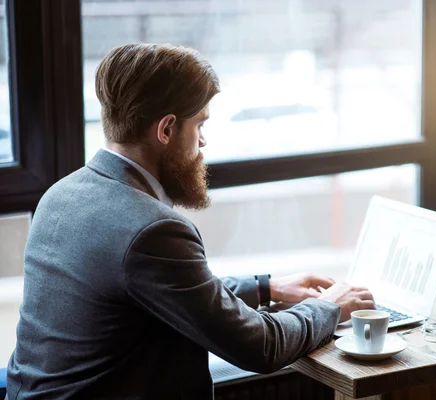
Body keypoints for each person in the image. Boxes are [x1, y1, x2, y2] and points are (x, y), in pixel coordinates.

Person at [6, 43, 375, 399]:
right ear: (166, 129)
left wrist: (267, 288)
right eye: (199, 124)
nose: (204, 140)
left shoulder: (61, 194)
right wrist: (330, 306)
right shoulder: (151, 230)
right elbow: (261, 347)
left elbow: (163, 288)